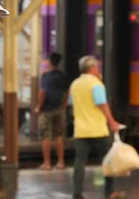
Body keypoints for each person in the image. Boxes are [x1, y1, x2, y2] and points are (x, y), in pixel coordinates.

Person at [69, 55, 124, 199]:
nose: (98, 69)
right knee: (107, 161)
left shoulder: (75, 84)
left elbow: (71, 105)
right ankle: (109, 192)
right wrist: (112, 122)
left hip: (80, 130)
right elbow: (102, 105)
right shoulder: (96, 84)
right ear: (92, 68)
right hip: (98, 130)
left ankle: (77, 193)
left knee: (79, 162)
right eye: (97, 67)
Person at [35, 52, 69, 170]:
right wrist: (64, 104)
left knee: (46, 136)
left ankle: (47, 163)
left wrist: (39, 106)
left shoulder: (45, 76)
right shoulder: (63, 75)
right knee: (59, 135)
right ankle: (61, 162)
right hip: (59, 109)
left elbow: (42, 92)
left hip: (47, 109)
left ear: (49, 61)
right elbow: (66, 92)